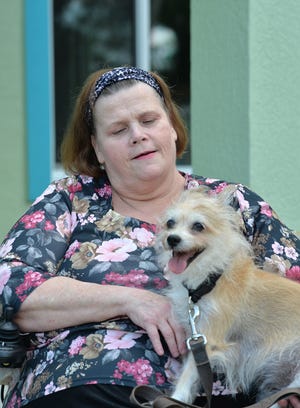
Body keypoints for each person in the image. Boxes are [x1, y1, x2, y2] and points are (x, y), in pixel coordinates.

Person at [0, 66, 299, 408]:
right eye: (118, 130)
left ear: (172, 127)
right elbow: (10, 285)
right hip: (86, 391)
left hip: (219, 397)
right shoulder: (71, 200)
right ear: (97, 149)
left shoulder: (233, 203)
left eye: (149, 120)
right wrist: (131, 300)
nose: (138, 135)